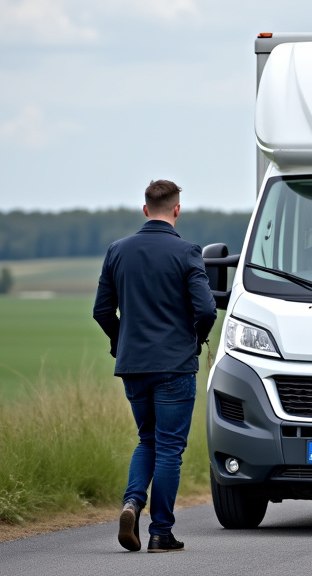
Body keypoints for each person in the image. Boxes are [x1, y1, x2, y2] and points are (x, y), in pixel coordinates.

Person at [92, 179, 217, 553]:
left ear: (145, 209)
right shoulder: (187, 252)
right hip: (175, 366)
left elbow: (101, 311)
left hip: (133, 366)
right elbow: (207, 309)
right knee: (168, 449)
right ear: (176, 210)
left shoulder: (117, 251)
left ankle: (132, 503)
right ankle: (161, 533)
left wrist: (120, 342)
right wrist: (194, 340)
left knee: (147, 439)